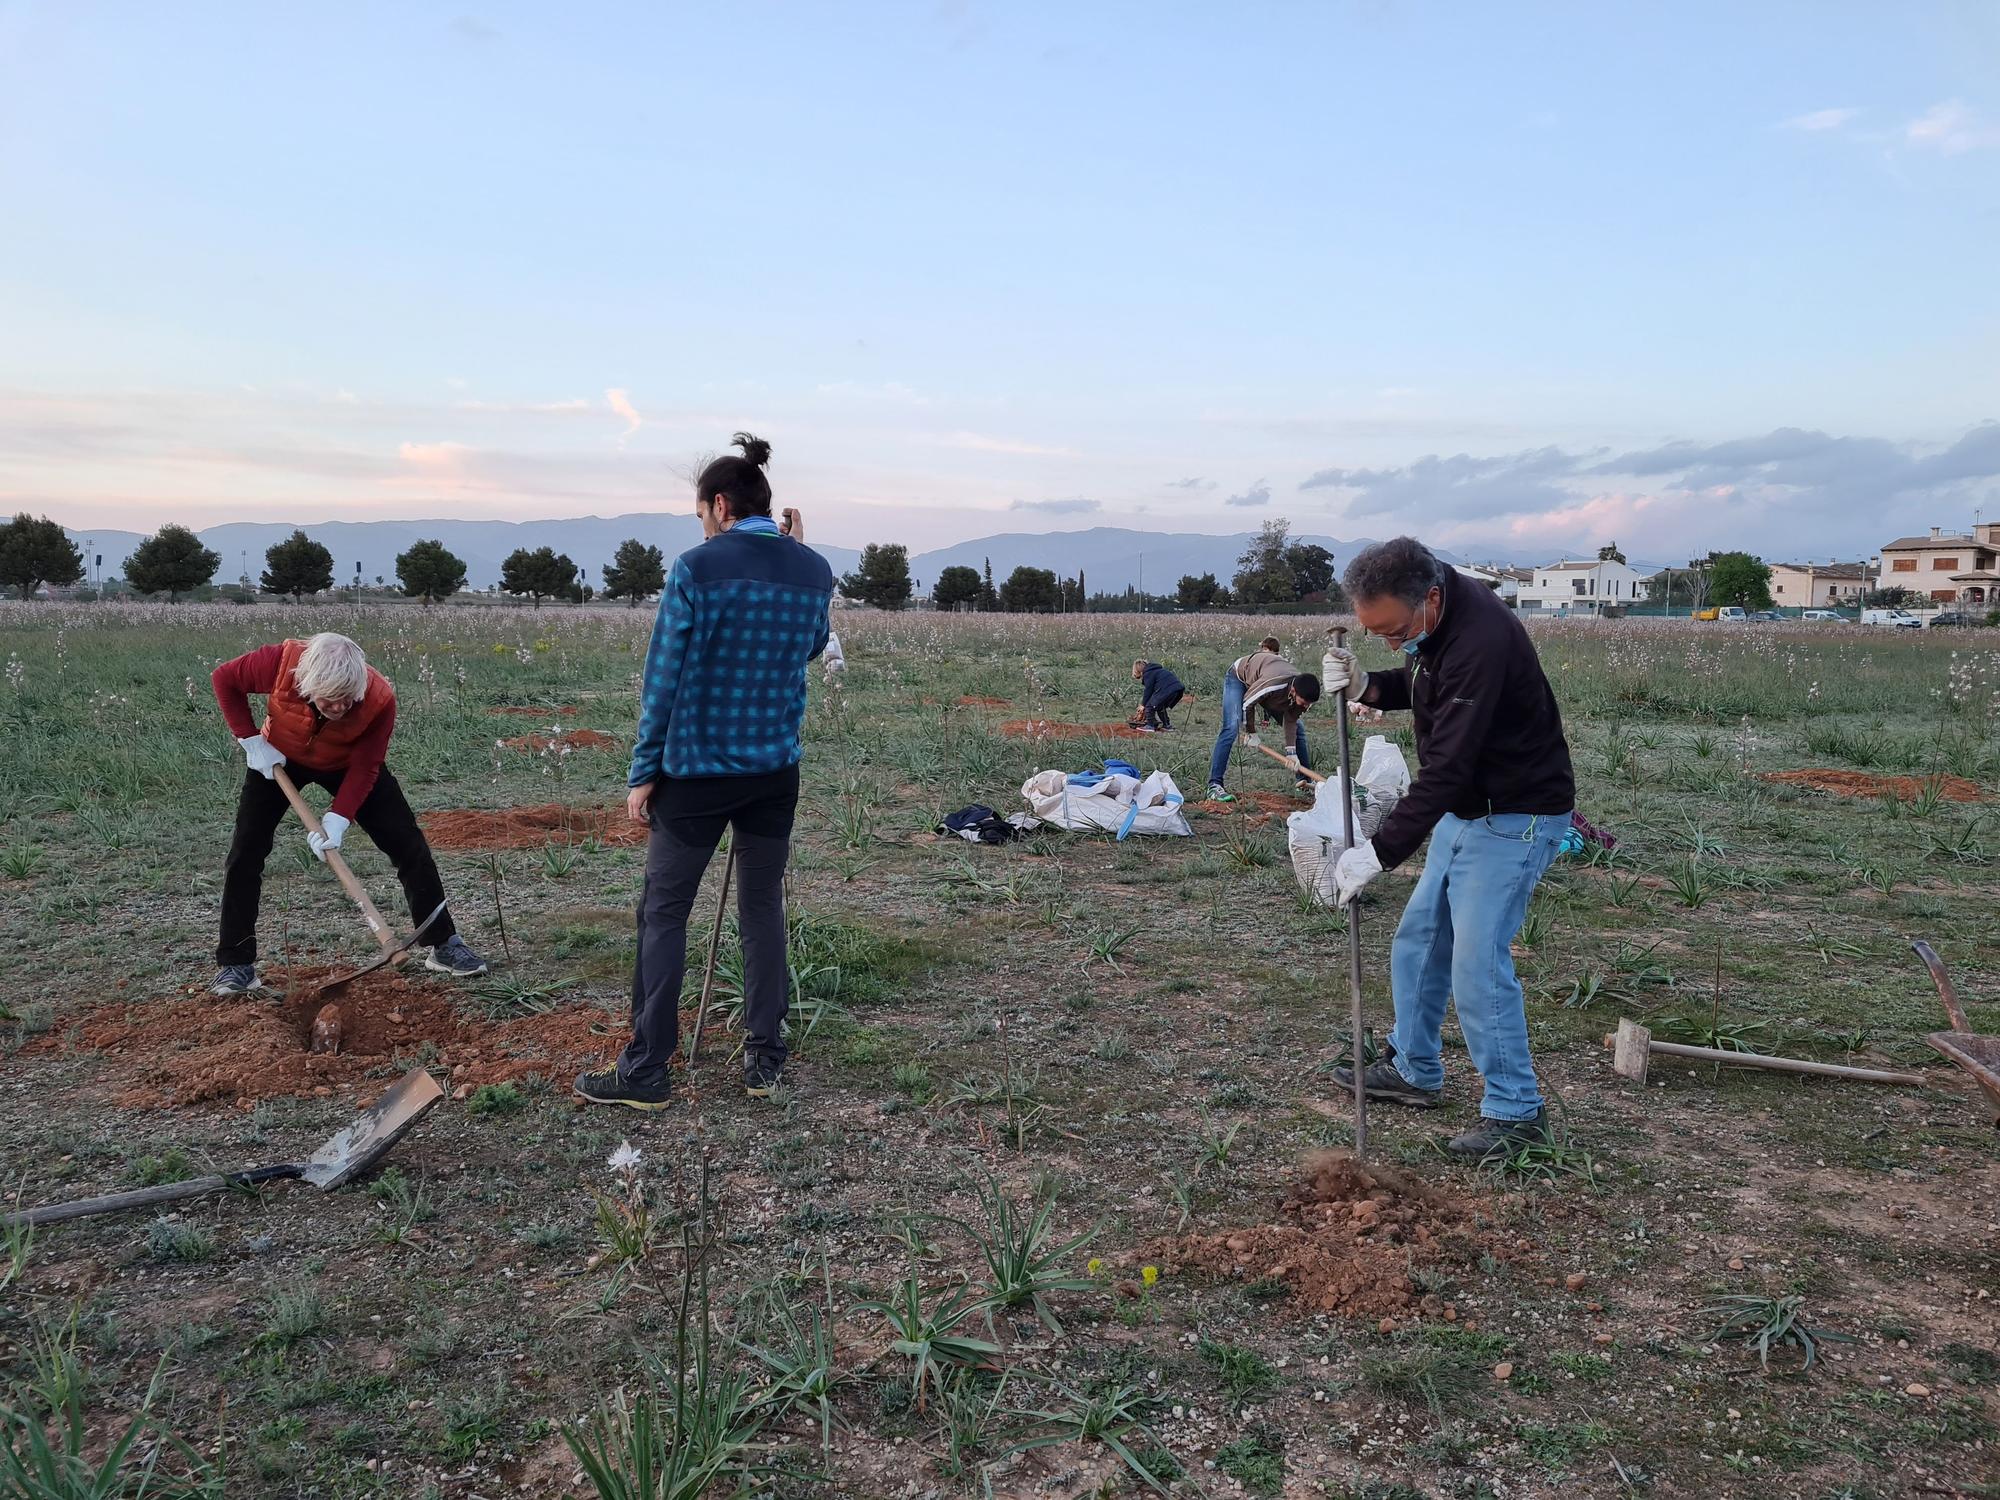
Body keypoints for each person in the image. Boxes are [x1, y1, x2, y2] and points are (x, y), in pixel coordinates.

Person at [575, 433, 834, 1111]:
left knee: (663, 916)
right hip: (775, 770)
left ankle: (647, 1070)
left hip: (695, 776)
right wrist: (800, 551)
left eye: (700, 514)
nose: (702, 525)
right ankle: (765, 1060)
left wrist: (643, 772)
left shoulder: (696, 569)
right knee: (762, 910)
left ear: (719, 506)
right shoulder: (813, 570)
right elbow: (810, 646)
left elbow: (662, 681)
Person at [1322, 537, 1576, 1158]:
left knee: (1477, 964)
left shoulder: (1481, 640)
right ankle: (1413, 1068)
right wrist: (1366, 686)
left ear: (1429, 599)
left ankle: (1517, 1114)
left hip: (1515, 816)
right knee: (1419, 941)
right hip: (1467, 814)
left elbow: (1448, 771)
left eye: (1394, 632)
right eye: (1374, 634)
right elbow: (1419, 683)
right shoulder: (1435, 619)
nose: (1390, 643)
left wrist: (1378, 853)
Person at [210, 632, 485, 993]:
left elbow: (368, 764)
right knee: (246, 853)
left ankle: (444, 944)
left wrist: (338, 818)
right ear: (308, 682)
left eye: (347, 700)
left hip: (346, 764)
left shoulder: (379, 697)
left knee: (408, 845)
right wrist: (250, 740)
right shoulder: (279, 664)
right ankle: (237, 965)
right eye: (331, 699)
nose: (339, 707)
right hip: (275, 759)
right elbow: (224, 679)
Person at [1205, 648, 1321, 801]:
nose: (1306, 707)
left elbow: (1291, 720)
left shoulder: (1302, 691)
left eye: (1309, 704)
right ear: (1293, 691)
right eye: (1304, 703)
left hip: (1267, 688)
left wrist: (1291, 752)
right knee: (1232, 726)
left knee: (1299, 729)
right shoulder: (1273, 684)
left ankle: (1305, 782)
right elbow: (1248, 704)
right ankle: (1214, 785)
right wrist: (1251, 732)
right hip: (1239, 677)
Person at [1130, 659, 1184, 731]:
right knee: (1160, 706)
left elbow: (1148, 691)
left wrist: (1143, 705)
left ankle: (1150, 726)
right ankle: (1167, 725)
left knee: (1149, 706)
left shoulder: (1148, 673)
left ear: (1138, 670)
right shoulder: (1157, 670)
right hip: (1177, 689)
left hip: (1167, 689)